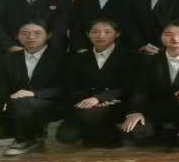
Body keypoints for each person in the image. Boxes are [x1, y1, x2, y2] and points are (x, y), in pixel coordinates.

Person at [0, 20, 66, 156]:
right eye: (25, 33)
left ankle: (24, 139)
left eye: (37, 33)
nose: (31, 37)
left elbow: (65, 88)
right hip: (18, 108)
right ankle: (35, 131)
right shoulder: (8, 59)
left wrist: (33, 93)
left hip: (52, 105)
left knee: (23, 103)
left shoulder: (62, 57)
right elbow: (0, 88)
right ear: (17, 36)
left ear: (48, 35)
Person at [121, 20, 179, 152]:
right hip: (161, 108)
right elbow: (141, 88)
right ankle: (166, 130)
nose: (175, 38)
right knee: (137, 132)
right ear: (161, 36)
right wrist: (135, 111)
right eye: (168, 34)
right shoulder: (151, 60)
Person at [56, 17, 139, 148]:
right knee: (65, 136)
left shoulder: (130, 57)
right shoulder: (78, 58)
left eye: (107, 32)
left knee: (88, 118)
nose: (101, 36)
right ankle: (103, 134)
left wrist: (100, 98)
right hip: (87, 103)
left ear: (117, 34)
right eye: (95, 32)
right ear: (87, 34)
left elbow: (130, 86)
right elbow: (71, 86)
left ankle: (105, 134)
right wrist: (87, 99)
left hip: (118, 102)